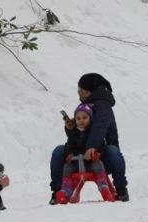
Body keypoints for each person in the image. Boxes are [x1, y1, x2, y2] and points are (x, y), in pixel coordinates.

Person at [49, 73, 129, 204]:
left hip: (100, 157)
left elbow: (99, 127)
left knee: (113, 151)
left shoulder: (102, 106)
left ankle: (121, 190)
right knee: (58, 151)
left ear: (87, 91)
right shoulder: (88, 106)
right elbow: (77, 136)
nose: (78, 92)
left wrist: (91, 147)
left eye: (79, 89)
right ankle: (58, 193)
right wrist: (71, 128)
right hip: (79, 156)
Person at [55, 103, 115, 203]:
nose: (81, 120)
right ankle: (66, 192)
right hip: (76, 163)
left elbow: (101, 144)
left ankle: (104, 188)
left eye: (84, 117)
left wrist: (96, 153)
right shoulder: (73, 133)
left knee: (99, 165)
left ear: (90, 118)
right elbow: (69, 145)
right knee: (67, 167)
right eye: (78, 118)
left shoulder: (93, 132)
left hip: (91, 161)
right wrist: (69, 154)